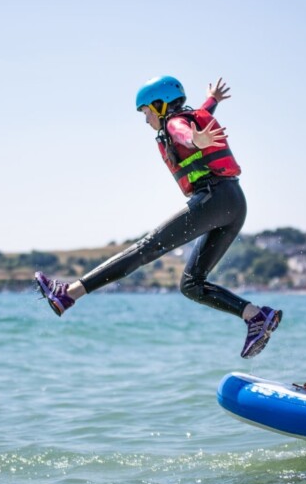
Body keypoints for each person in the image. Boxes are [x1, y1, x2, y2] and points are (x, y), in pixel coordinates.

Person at [34, 76, 281, 358]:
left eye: (146, 112)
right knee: (191, 285)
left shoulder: (175, 124)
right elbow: (200, 116)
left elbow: (182, 133)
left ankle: (69, 294)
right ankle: (256, 316)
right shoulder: (187, 117)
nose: (146, 120)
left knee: (146, 247)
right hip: (233, 203)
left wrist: (195, 139)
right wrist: (212, 99)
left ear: (160, 106)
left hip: (215, 197)